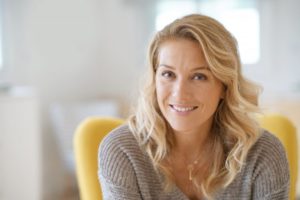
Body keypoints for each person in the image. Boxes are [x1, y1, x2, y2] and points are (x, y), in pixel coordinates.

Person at [98, 14, 290, 200]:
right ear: (154, 78)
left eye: (199, 76)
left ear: (225, 86)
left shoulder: (262, 154)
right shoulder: (122, 151)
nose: (180, 93)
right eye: (168, 74)